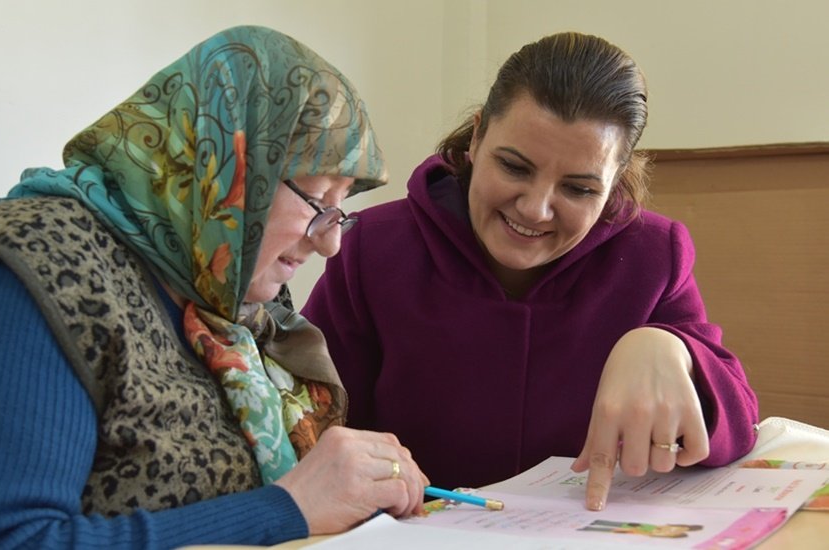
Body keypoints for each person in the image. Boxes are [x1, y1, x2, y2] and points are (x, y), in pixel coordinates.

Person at [0, 26, 427, 548]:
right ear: (224, 166)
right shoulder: (26, 271)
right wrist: (289, 508)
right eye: (315, 201)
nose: (330, 244)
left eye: (340, 209)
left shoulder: (225, 294)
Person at [302, 31, 759, 512]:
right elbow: (303, 423)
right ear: (477, 137)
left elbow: (739, 423)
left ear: (614, 183)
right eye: (515, 167)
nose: (537, 209)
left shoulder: (652, 255)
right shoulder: (372, 246)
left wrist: (674, 349)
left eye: (579, 189)